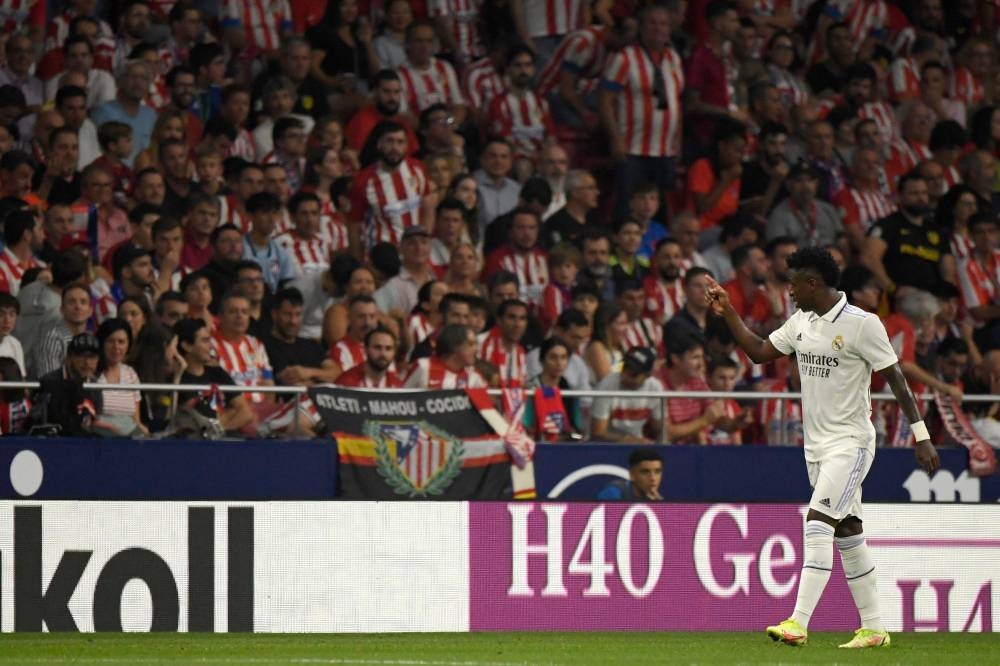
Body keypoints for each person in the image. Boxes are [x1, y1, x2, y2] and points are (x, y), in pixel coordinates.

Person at [706, 246, 939, 648]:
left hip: (851, 444)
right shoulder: (802, 322)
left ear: (813, 283)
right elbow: (760, 352)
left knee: (817, 522)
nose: (789, 289)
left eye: (794, 282)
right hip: (815, 447)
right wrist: (728, 313)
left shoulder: (862, 324)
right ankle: (874, 628)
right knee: (848, 531)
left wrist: (921, 435)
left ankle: (798, 622)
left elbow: (897, 378)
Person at [174, 317, 254, 434]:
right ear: (187, 346)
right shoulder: (179, 378)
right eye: (205, 341)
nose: (210, 346)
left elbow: (246, 413)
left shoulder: (217, 373)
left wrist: (218, 431)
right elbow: (199, 421)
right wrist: (230, 412)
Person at [32, 332, 104, 437]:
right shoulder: (50, 382)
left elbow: (96, 420)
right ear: (69, 357)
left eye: (92, 357)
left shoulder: (95, 386)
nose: (87, 362)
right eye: (81, 355)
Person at [590, 346, 664, 444]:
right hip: (607, 446)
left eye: (633, 374)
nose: (625, 376)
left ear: (648, 375)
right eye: (624, 368)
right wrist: (629, 440)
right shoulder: (607, 385)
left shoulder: (655, 388)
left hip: (638, 444)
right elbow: (598, 433)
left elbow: (659, 429)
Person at [94, 317, 149, 436]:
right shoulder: (93, 375)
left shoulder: (131, 374)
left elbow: (136, 420)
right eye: (110, 341)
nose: (116, 347)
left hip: (128, 438)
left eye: (121, 342)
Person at [404, 323, 486, 388]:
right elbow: (401, 397)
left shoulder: (473, 376)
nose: (477, 349)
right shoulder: (423, 366)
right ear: (454, 346)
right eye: (471, 344)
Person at [335, 326, 403, 388]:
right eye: (377, 347)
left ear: (394, 352)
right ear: (365, 349)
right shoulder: (346, 383)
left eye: (388, 348)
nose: (383, 354)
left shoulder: (397, 385)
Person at [596, 448, 664, 501]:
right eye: (645, 472)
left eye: (657, 472)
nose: (653, 478)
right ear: (632, 475)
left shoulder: (658, 501)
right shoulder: (613, 493)